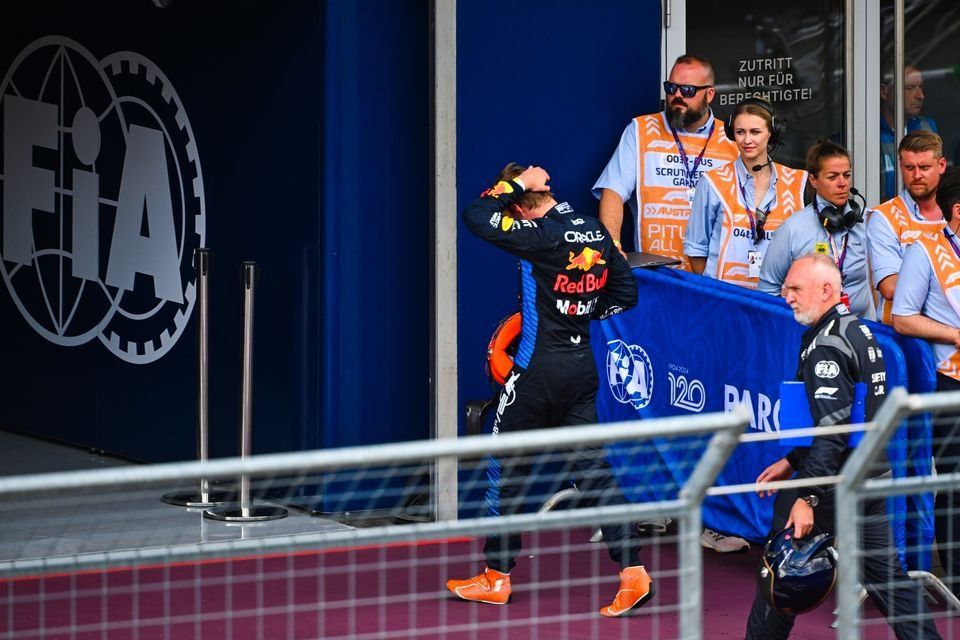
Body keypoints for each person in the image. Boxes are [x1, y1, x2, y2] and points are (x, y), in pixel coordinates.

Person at [449, 163, 650, 618]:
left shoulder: (539, 234)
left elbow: (477, 216)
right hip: (581, 368)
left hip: (536, 373)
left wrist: (517, 185)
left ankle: (496, 577)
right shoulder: (596, 231)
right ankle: (633, 573)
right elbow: (625, 294)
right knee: (595, 473)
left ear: (522, 208)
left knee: (504, 467)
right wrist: (576, 311)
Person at [747, 253, 942, 640]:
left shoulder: (827, 347)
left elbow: (832, 430)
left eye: (795, 289)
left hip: (834, 483)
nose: (787, 296)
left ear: (825, 290)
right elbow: (848, 417)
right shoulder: (859, 331)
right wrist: (791, 459)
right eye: (786, 288)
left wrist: (808, 497)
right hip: (868, 476)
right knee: (889, 581)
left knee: (780, 573)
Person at [593, 54, 737, 268]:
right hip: (658, 273)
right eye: (671, 88)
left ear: (709, 94)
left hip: (714, 277)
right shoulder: (641, 130)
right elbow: (612, 190)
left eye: (687, 90)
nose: (677, 96)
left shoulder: (732, 139)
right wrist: (613, 244)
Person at [892, 166, 960, 595]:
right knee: (955, 483)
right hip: (949, 379)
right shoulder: (925, 250)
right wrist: (954, 334)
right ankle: (956, 576)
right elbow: (902, 317)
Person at [684, 98, 808, 289]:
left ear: (772, 134)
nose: (747, 140)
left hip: (776, 303)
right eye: (740, 132)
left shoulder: (796, 182)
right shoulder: (712, 182)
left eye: (755, 132)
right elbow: (696, 250)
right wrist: (715, 291)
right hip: (725, 302)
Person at [759, 140, 875, 320]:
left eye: (846, 175)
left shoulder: (868, 223)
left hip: (861, 331)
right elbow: (767, 290)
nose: (842, 183)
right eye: (832, 176)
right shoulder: (792, 229)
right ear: (813, 180)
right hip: (811, 333)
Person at [867, 130, 947, 324]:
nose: (917, 175)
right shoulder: (883, 217)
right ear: (900, 166)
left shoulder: (955, 211)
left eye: (925, 167)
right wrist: (949, 288)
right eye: (909, 167)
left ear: (941, 165)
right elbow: (890, 287)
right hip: (902, 339)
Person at [881, 64, 939, 201]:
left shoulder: (927, 127)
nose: (921, 96)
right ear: (884, 92)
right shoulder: (868, 134)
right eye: (910, 88)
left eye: (921, 87)